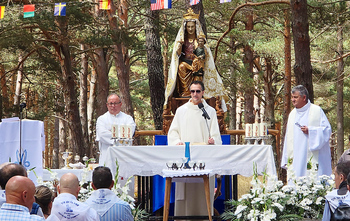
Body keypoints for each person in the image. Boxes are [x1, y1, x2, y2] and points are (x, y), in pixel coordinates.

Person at [168, 81, 222, 219]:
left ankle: (204, 216)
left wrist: (212, 141)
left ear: (203, 92)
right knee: (186, 194)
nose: (195, 94)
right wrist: (176, 142)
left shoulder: (209, 111)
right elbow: (173, 133)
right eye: (192, 91)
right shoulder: (181, 111)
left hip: (204, 158)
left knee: (202, 196)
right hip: (186, 158)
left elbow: (216, 135)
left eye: (198, 91)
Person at [164, 8, 226, 109]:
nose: (190, 29)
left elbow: (204, 54)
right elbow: (177, 55)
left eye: (192, 26)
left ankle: (197, 93)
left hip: (197, 64)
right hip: (185, 63)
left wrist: (201, 53)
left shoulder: (199, 40)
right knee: (181, 67)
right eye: (188, 27)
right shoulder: (182, 40)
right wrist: (179, 47)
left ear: (195, 27)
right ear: (185, 28)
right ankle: (186, 92)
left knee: (198, 70)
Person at [281, 85, 332, 178]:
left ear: (304, 97)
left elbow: (327, 131)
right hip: (297, 158)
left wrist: (311, 131)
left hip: (314, 158)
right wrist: (285, 158)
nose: (292, 100)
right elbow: (288, 138)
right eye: (292, 97)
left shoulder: (316, 111)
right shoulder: (292, 114)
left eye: (295, 97)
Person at [96, 93, 136, 165]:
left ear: (120, 104)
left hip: (124, 156)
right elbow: (102, 135)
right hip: (107, 155)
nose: (113, 106)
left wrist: (111, 133)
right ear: (107, 105)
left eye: (115, 103)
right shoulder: (101, 119)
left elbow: (129, 133)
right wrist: (120, 135)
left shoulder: (128, 119)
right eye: (110, 103)